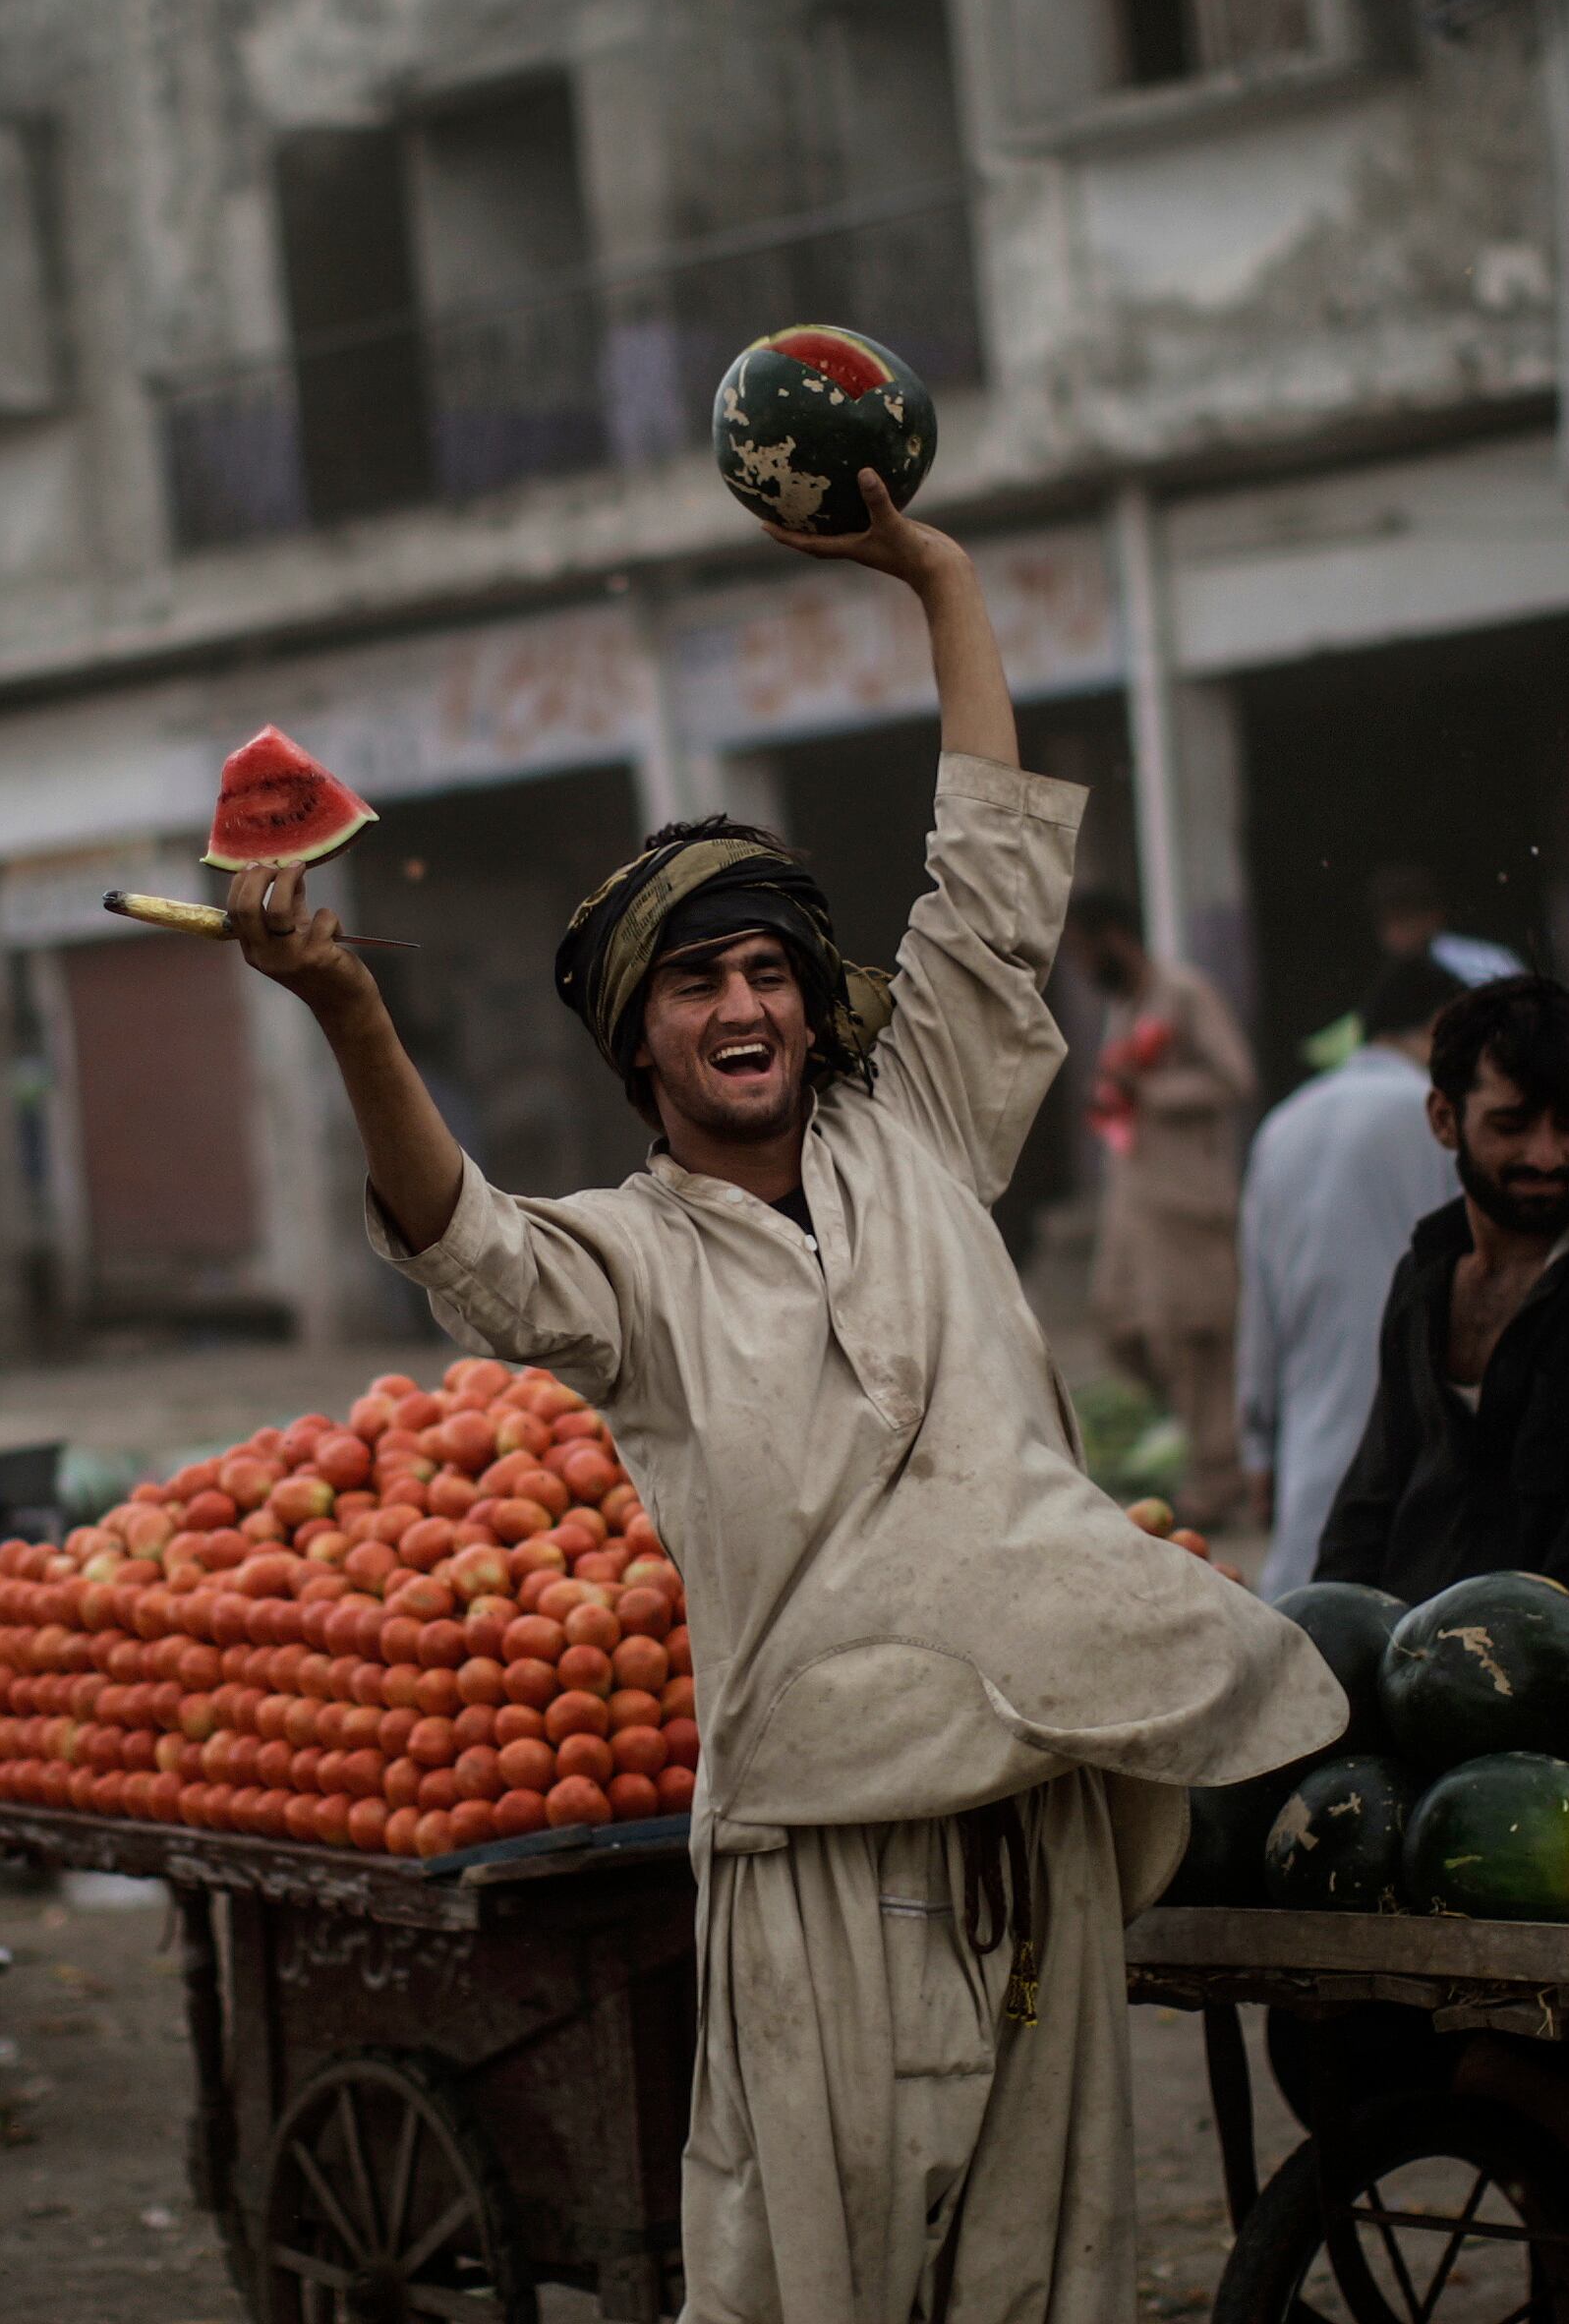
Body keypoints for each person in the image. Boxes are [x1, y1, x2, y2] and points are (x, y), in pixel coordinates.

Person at [223, 469, 1340, 2324]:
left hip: (1039, 1803)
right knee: (819, 2278)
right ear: (636, 1037)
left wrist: (938, 574)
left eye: (767, 969)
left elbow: (990, 880)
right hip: (830, 1856)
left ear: (815, 1002)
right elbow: (460, 1241)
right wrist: (348, 1012)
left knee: (1052, 2274)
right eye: (693, 982)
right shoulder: (626, 1264)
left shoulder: (922, 1131)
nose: (741, 1003)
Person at [1307, 975, 1569, 1601]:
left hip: (1563, 1672)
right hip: (1411, 1663)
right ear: (1443, 1119)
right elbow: (1367, 1508)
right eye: (1512, 1125)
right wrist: (1330, 1646)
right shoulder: (1424, 1279)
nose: (1546, 1156)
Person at [1238, 952, 1467, 1595]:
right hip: (1421, 1435)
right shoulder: (1438, 1114)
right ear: (1443, 1025)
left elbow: (1259, 1306)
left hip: (1308, 1449)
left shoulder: (1281, 1125)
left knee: (1313, 1623)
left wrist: (1257, 1445)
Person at [1070, 888, 1259, 1528]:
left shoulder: (1184, 994)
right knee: (1121, 1326)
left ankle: (1221, 1478)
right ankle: (1211, 1459)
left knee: (1199, 1338)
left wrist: (1149, 1091)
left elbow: (1234, 1077)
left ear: (1116, 939)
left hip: (1189, 1200)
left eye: (1085, 950)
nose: (1081, 965)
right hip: (1135, 1204)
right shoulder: (1125, 1007)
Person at [1370, 858, 1527, 990]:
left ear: (1434, 916)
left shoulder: (1487, 962)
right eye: (1389, 922)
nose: (1396, 933)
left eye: (1404, 921)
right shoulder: (1384, 983)